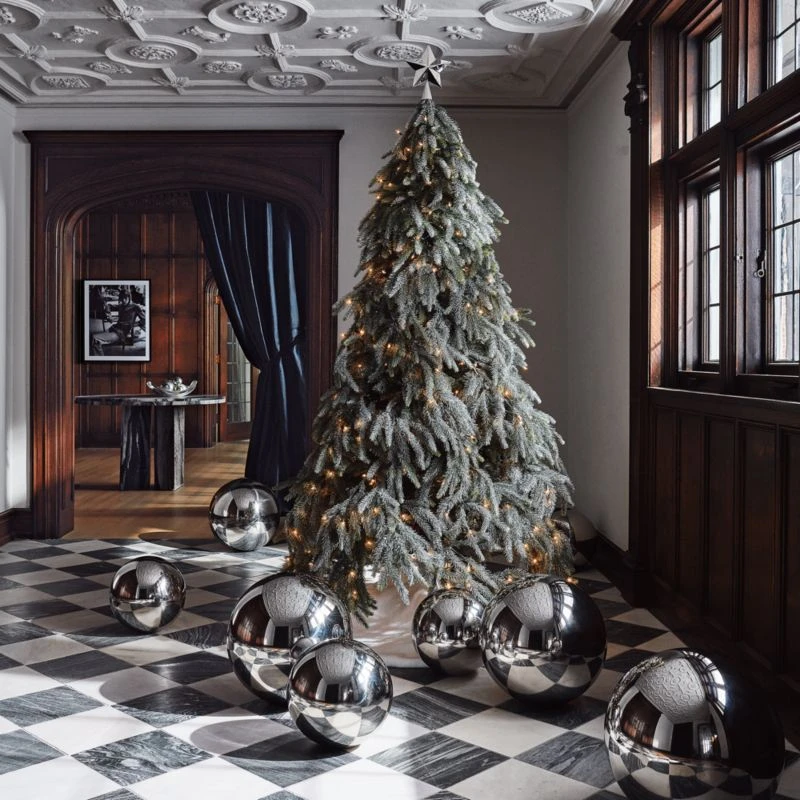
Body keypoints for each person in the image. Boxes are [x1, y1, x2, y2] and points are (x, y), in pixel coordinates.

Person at [90, 286, 146, 356]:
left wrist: (136, 324)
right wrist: (109, 315)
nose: (122, 301)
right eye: (121, 299)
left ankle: (99, 361)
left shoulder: (135, 307)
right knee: (91, 339)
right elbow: (109, 306)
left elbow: (145, 320)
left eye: (124, 299)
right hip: (114, 328)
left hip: (121, 334)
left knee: (95, 339)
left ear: (129, 297)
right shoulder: (122, 305)